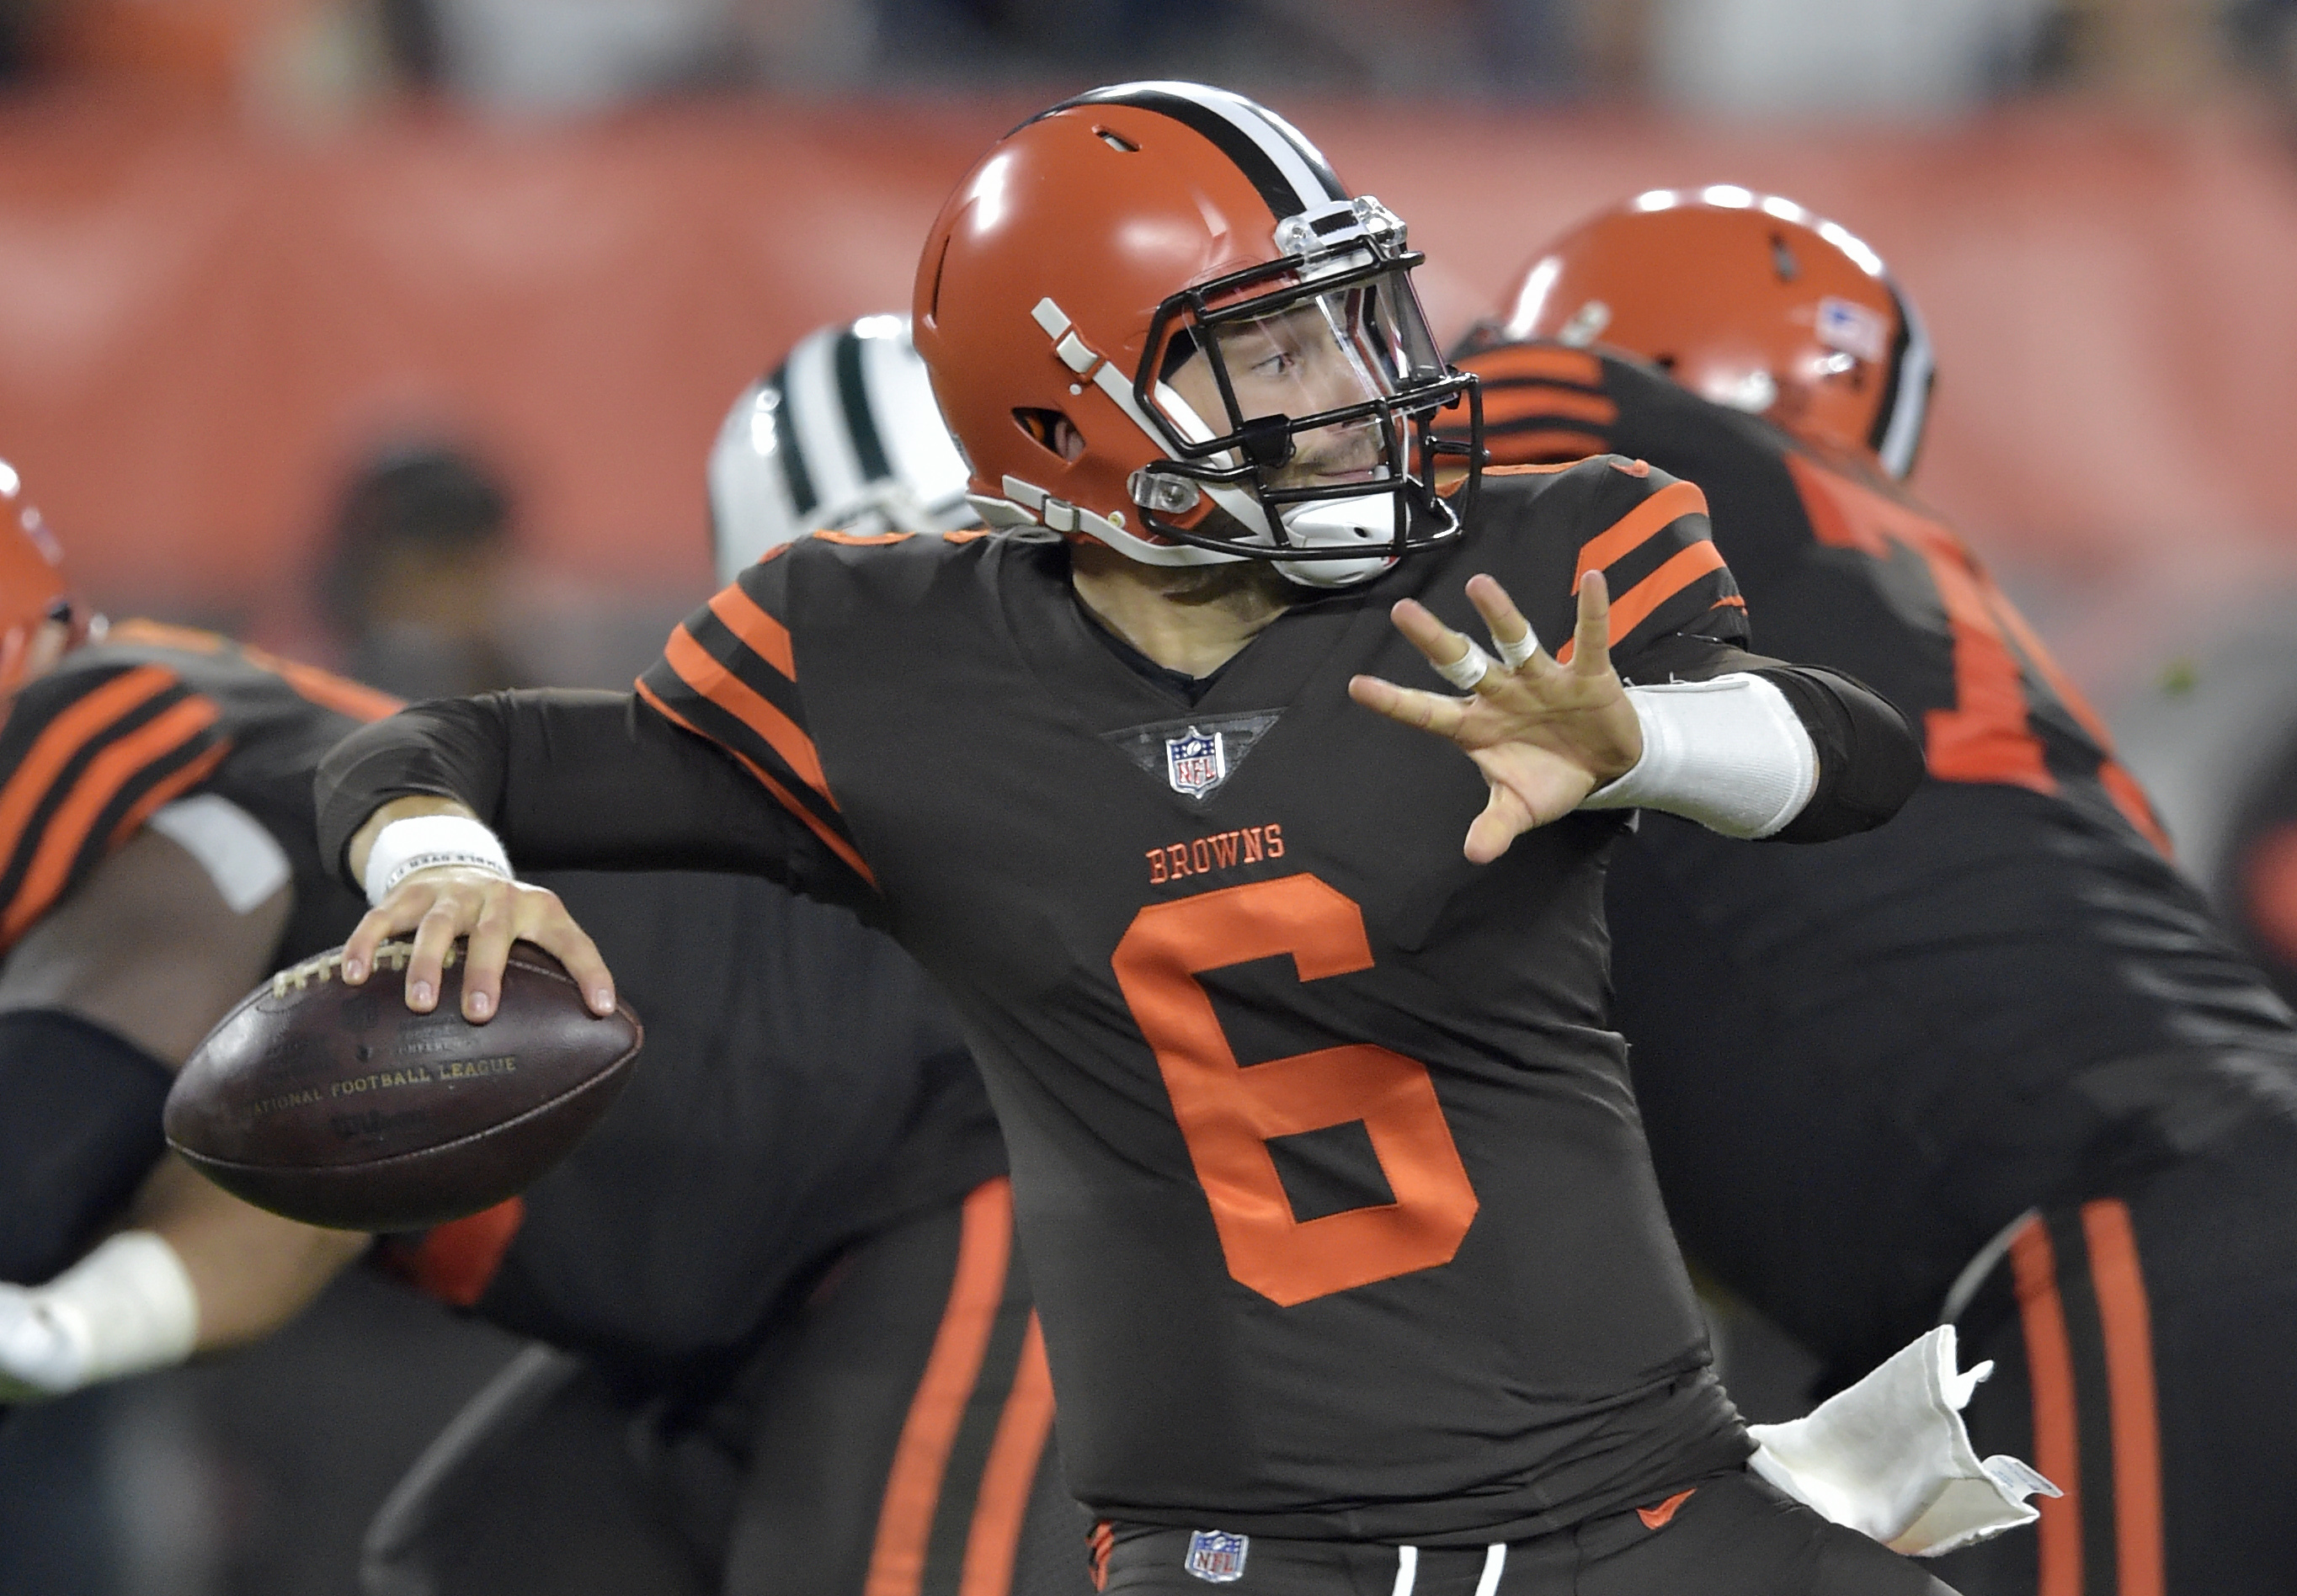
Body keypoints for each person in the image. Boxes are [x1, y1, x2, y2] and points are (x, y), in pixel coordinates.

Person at [317, 82, 1950, 1596]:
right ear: (1068, 408)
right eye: (1272, 350)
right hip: (1246, 1556)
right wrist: (437, 862)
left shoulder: (1521, 568)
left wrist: (1641, 740)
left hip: (1641, 1516)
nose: (1356, 393)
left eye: (1350, 324)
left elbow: (1853, 758)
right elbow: (452, 745)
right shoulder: (886, 668)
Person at [0, 383, 1077, 1596]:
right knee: (460, 1567)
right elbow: (289, 1210)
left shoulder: (125, 740)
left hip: (936, 1181)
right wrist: (60, 1333)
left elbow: (47, 1133)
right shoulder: (213, 852)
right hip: (726, 1282)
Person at [1451, 188, 2297, 1595]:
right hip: (2161, 1227)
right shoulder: (1922, 626)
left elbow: (1424, 429)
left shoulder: (1604, 439)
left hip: (2130, 1247)